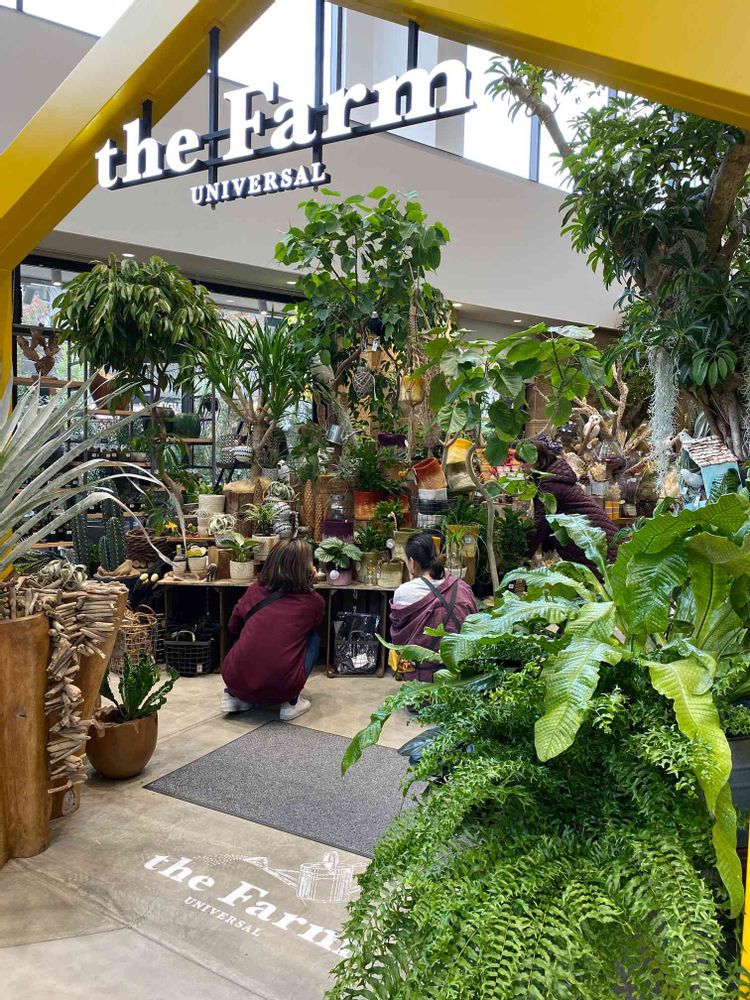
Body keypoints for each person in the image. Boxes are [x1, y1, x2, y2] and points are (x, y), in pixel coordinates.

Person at [221, 537, 325, 720]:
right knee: (313, 638)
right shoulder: (314, 602)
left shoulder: (255, 590)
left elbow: (233, 625)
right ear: (306, 569)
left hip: (234, 677)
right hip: (282, 687)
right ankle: (290, 702)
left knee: (246, 632)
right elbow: (312, 625)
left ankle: (234, 696)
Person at [390, 531, 477, 682]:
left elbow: (399, 640)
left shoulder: (403, 592)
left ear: (412, 562)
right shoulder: (462, 588)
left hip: (420, 680)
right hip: (459, 677)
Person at [524, 435, 618, 565]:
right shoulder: (552, 478)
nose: (521, 466)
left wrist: (523, 557)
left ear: (538, 460)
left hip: (596, 542)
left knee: (601, 572)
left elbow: (541, 523)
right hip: (595, 537)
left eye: (524, 462)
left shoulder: (549, 484)